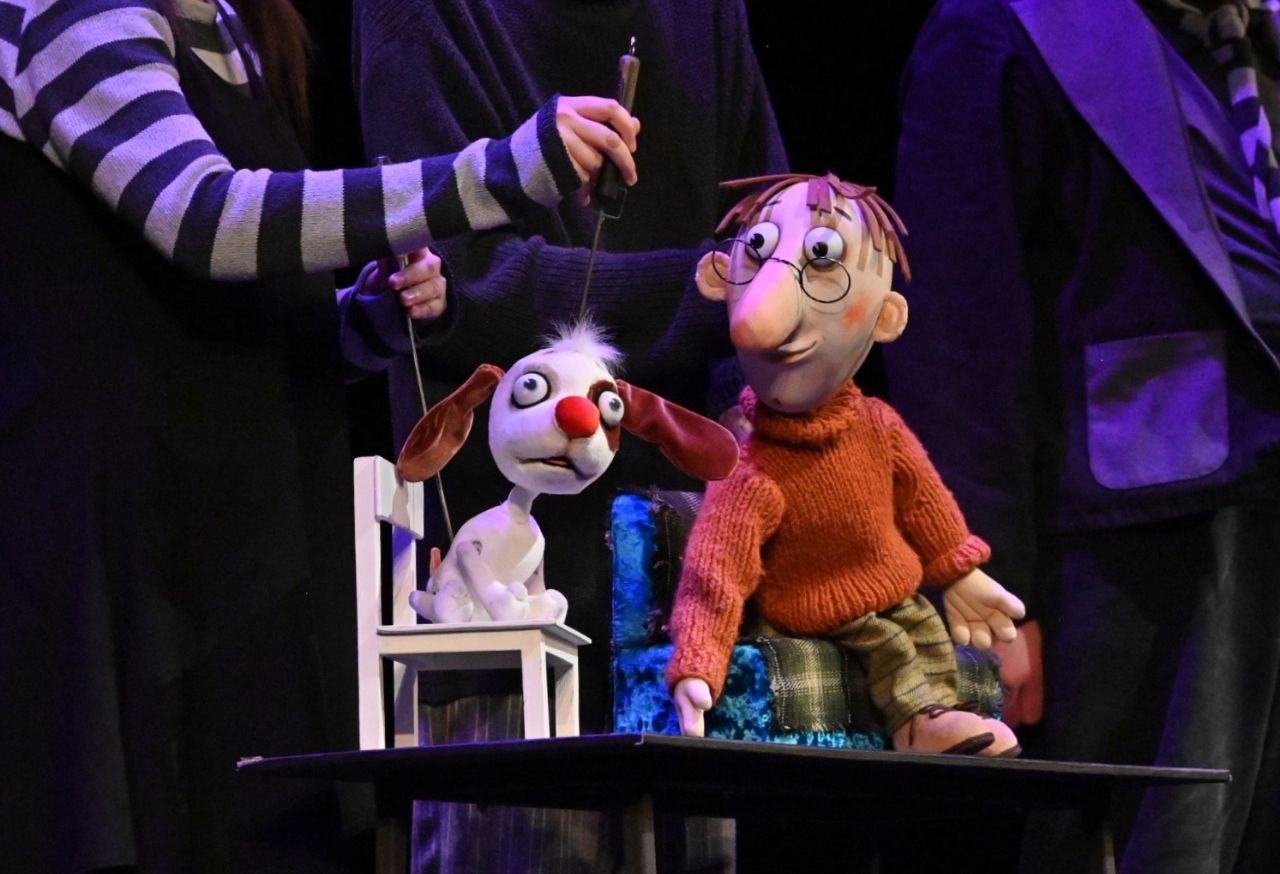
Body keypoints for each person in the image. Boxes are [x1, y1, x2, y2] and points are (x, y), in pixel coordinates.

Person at [0, 0, 639, 870]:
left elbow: (217, 332)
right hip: (121, 547)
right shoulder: (75, 12)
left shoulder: (235, 31)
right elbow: (204, 218)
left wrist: (362, 319)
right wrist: (498, 172)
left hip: (243, 546)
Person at [352, 0, 787, 869]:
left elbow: (768, 238)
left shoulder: (707, 16)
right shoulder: (425, 15)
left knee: (690, 842)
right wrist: (711, 290)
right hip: (501, 570)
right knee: (522, 840)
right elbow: (447, 270)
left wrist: (755, 423)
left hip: (685, 572)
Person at [885, 1, 1280, 871]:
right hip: (1132, 562)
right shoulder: (1001, 31)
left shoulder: (1249, 39)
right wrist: (989, 593)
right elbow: (958, 342)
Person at [666, 173, 1025, 760]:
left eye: (822, 255)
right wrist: (697, 664)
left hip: (897, 589)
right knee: (888, 646)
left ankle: (940, 715)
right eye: (757, 251)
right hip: (818, 609)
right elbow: (715, 573)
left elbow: (924, 501)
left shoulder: (878, 425)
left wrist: (961, 572)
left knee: (925, 633)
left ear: (885, 318)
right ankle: (918, 725)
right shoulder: (752, 470)